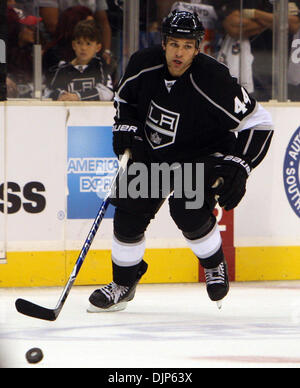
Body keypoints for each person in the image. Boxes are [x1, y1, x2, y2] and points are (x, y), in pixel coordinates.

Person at [87, 10, 274, 313]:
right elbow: (125, 100)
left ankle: (214, 265)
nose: (179, 52)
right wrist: (125, 125)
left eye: (188, 46)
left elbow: (260, 123)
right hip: (152, 152)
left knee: (187, 209)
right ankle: (123, 284)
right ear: (163, 43)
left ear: (198, 48)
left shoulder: (215, 80)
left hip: (201, 153)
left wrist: (241, 165)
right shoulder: (142, 64)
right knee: (128, 217)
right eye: (174, 44)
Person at [214, 0, 300, 101]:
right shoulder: (243, 2)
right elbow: (234, 26)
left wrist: (254, 13)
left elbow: (294, 25)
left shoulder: (289, 1)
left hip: (284, 76)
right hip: (249, 74)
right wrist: (278, 19)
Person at [44, 20, 113, 101]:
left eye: (88, 44)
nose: (83, 48)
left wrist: (78, 97)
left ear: (98, 48)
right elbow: (48, 92)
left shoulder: (100, 66)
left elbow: (108, 93)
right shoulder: (62, 69)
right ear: (73, 45)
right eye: (79, 43)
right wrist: (61, 95)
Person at [38, 0, 112, 64]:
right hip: (61, 41)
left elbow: (103, 22)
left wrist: (106, 52)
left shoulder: (98, 62)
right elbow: (51, 25)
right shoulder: (54, 57)